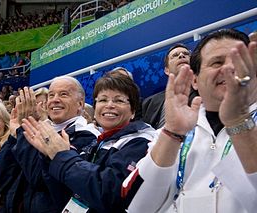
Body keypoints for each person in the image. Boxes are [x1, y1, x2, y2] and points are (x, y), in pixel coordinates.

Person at [122, 29, 257, 213]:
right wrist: (172, 133)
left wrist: (240, 123)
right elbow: (136, 206)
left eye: (238, 61)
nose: (228, 68)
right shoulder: (172, 131)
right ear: (195, 80)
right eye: (217, 62)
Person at [22, 74, 156, 212]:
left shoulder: (142, 142)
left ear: (133, 111)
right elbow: (67, 192)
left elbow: (111, 194)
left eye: (119, 100)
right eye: (103, 100)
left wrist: (62, 157)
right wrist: (49, 157)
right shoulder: (97, 144)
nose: (109, 105)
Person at [0, 78, 100, 213]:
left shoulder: (87, 137)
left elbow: (38, 181)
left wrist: (23, 131)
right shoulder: (40, 130)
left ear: (80, 104)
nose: (55, 99)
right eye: (51, 95)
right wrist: (13, 137)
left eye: (63, 94)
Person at [142, 44, 191, 129]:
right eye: (175, 55)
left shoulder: (206, 91)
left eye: (186, 54)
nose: (181, 55)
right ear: (167, 70)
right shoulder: (149, 103)